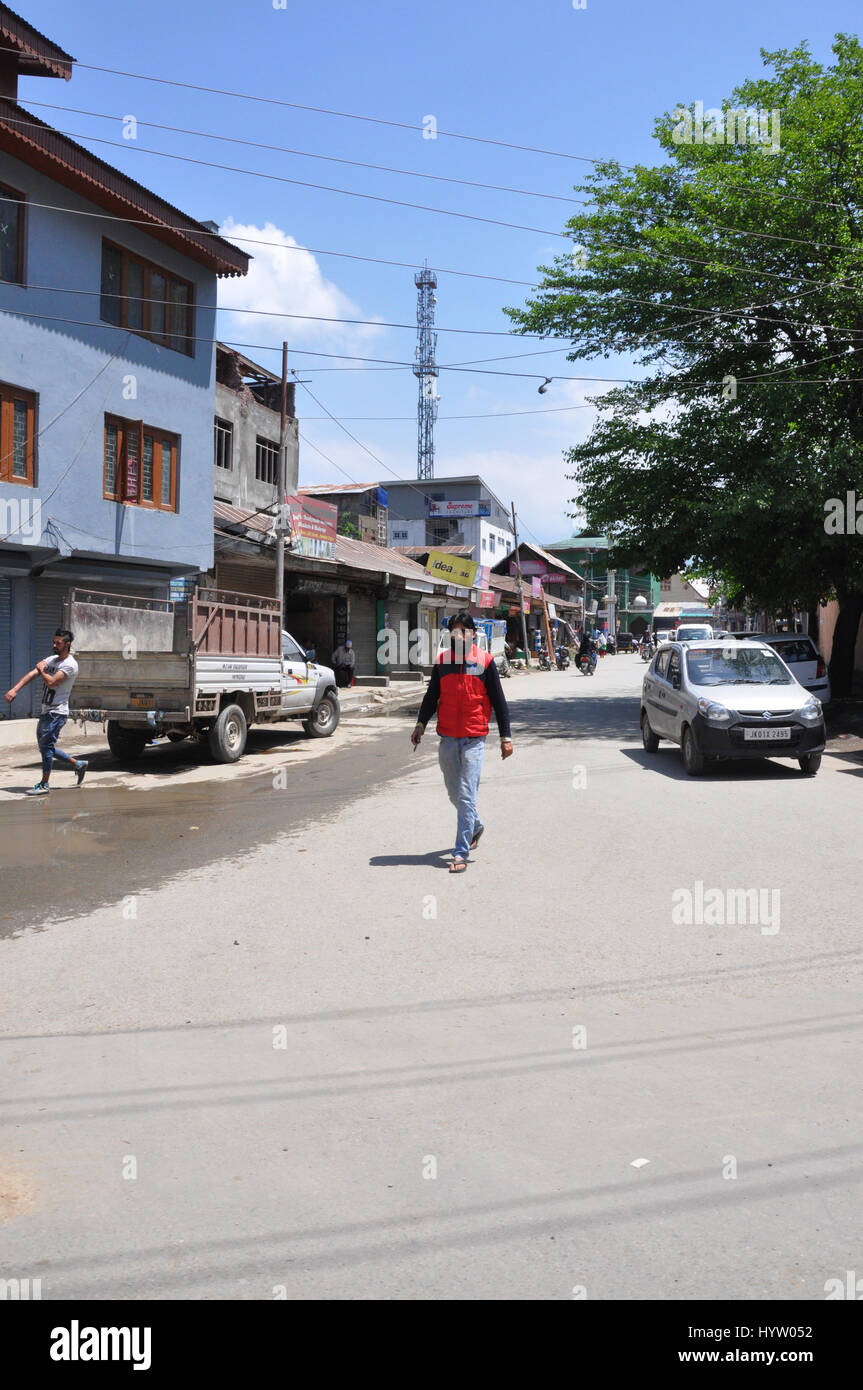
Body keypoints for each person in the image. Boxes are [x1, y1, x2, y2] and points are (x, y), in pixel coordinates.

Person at [411, 610, 513, 873]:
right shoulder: (443, 661)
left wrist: (506, 737)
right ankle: (476, 825)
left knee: (467, 795)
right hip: (447, 738)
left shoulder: (485, 662)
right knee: (453, 792)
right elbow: (431, 696)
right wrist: (420, 725)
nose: (459, 636)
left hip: (474, 739)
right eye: (455, 631)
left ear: (473, 634)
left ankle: (460, 853)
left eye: (464, 631)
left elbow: (500, 704)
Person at [4, 627, 88, 795]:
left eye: (58, 643)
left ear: (67, 644)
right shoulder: (52, 659)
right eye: (54, 642)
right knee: (45, 748)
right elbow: (32, 674)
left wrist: (43, 669)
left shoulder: (70, 665)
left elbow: (51, 682)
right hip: (46, 711)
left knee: (46, 746)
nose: (54, 645)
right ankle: (78, 764)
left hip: (57, 712)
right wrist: (15, 689)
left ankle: (44, 784)